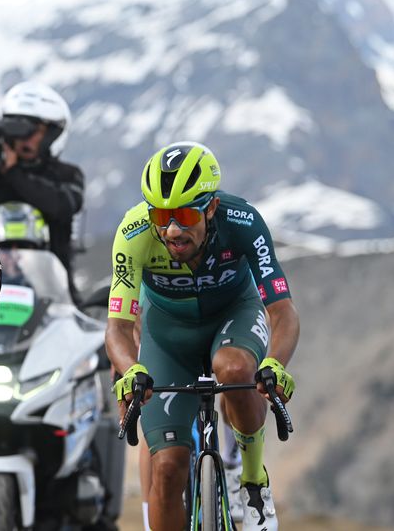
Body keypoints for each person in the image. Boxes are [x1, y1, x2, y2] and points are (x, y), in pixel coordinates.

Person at [104, 142, 300, 531]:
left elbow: (283, 311)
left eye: (184, 215)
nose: (172, 229)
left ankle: (252, 481)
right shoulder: (134, 233)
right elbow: (118, 328)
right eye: (161, 215)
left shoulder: (243, 221)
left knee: (234, 368)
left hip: (233, 315)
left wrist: (274, 363)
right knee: (167, 468)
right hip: (167, 335)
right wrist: (130, 369)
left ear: (210, 207)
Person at [0, 81, 84, 279]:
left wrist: (13, 172)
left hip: (54, 287)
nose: (25, 139)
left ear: (51, 133)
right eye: (18, 130)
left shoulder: (68, 174)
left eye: (34, 131)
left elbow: (62, 206)